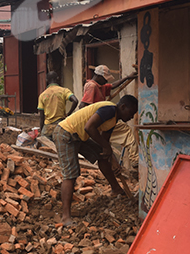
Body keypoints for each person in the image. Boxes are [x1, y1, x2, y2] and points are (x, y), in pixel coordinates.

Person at [53, 95, 138, 226]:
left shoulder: (113, 120)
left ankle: (116, 189)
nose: (131, 117)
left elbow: (105, 145)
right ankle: (65, 217)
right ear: (123, 107)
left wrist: (112, 160)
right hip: (66, 133)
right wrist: (106, 148)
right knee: (71, 174)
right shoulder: (109, 110)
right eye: (131, 113)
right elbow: (89, 127)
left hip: (78, 136)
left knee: (102, 156)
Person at [38, 72, 79, 138]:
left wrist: (41, 130)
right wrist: (68, 114)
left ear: (46, 80)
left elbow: (41, 116)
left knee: (45, 146)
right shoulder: (64, 90)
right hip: (61, 125)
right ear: (57, 79)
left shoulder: (42, 95)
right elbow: (75, 101)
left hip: (48, 126)